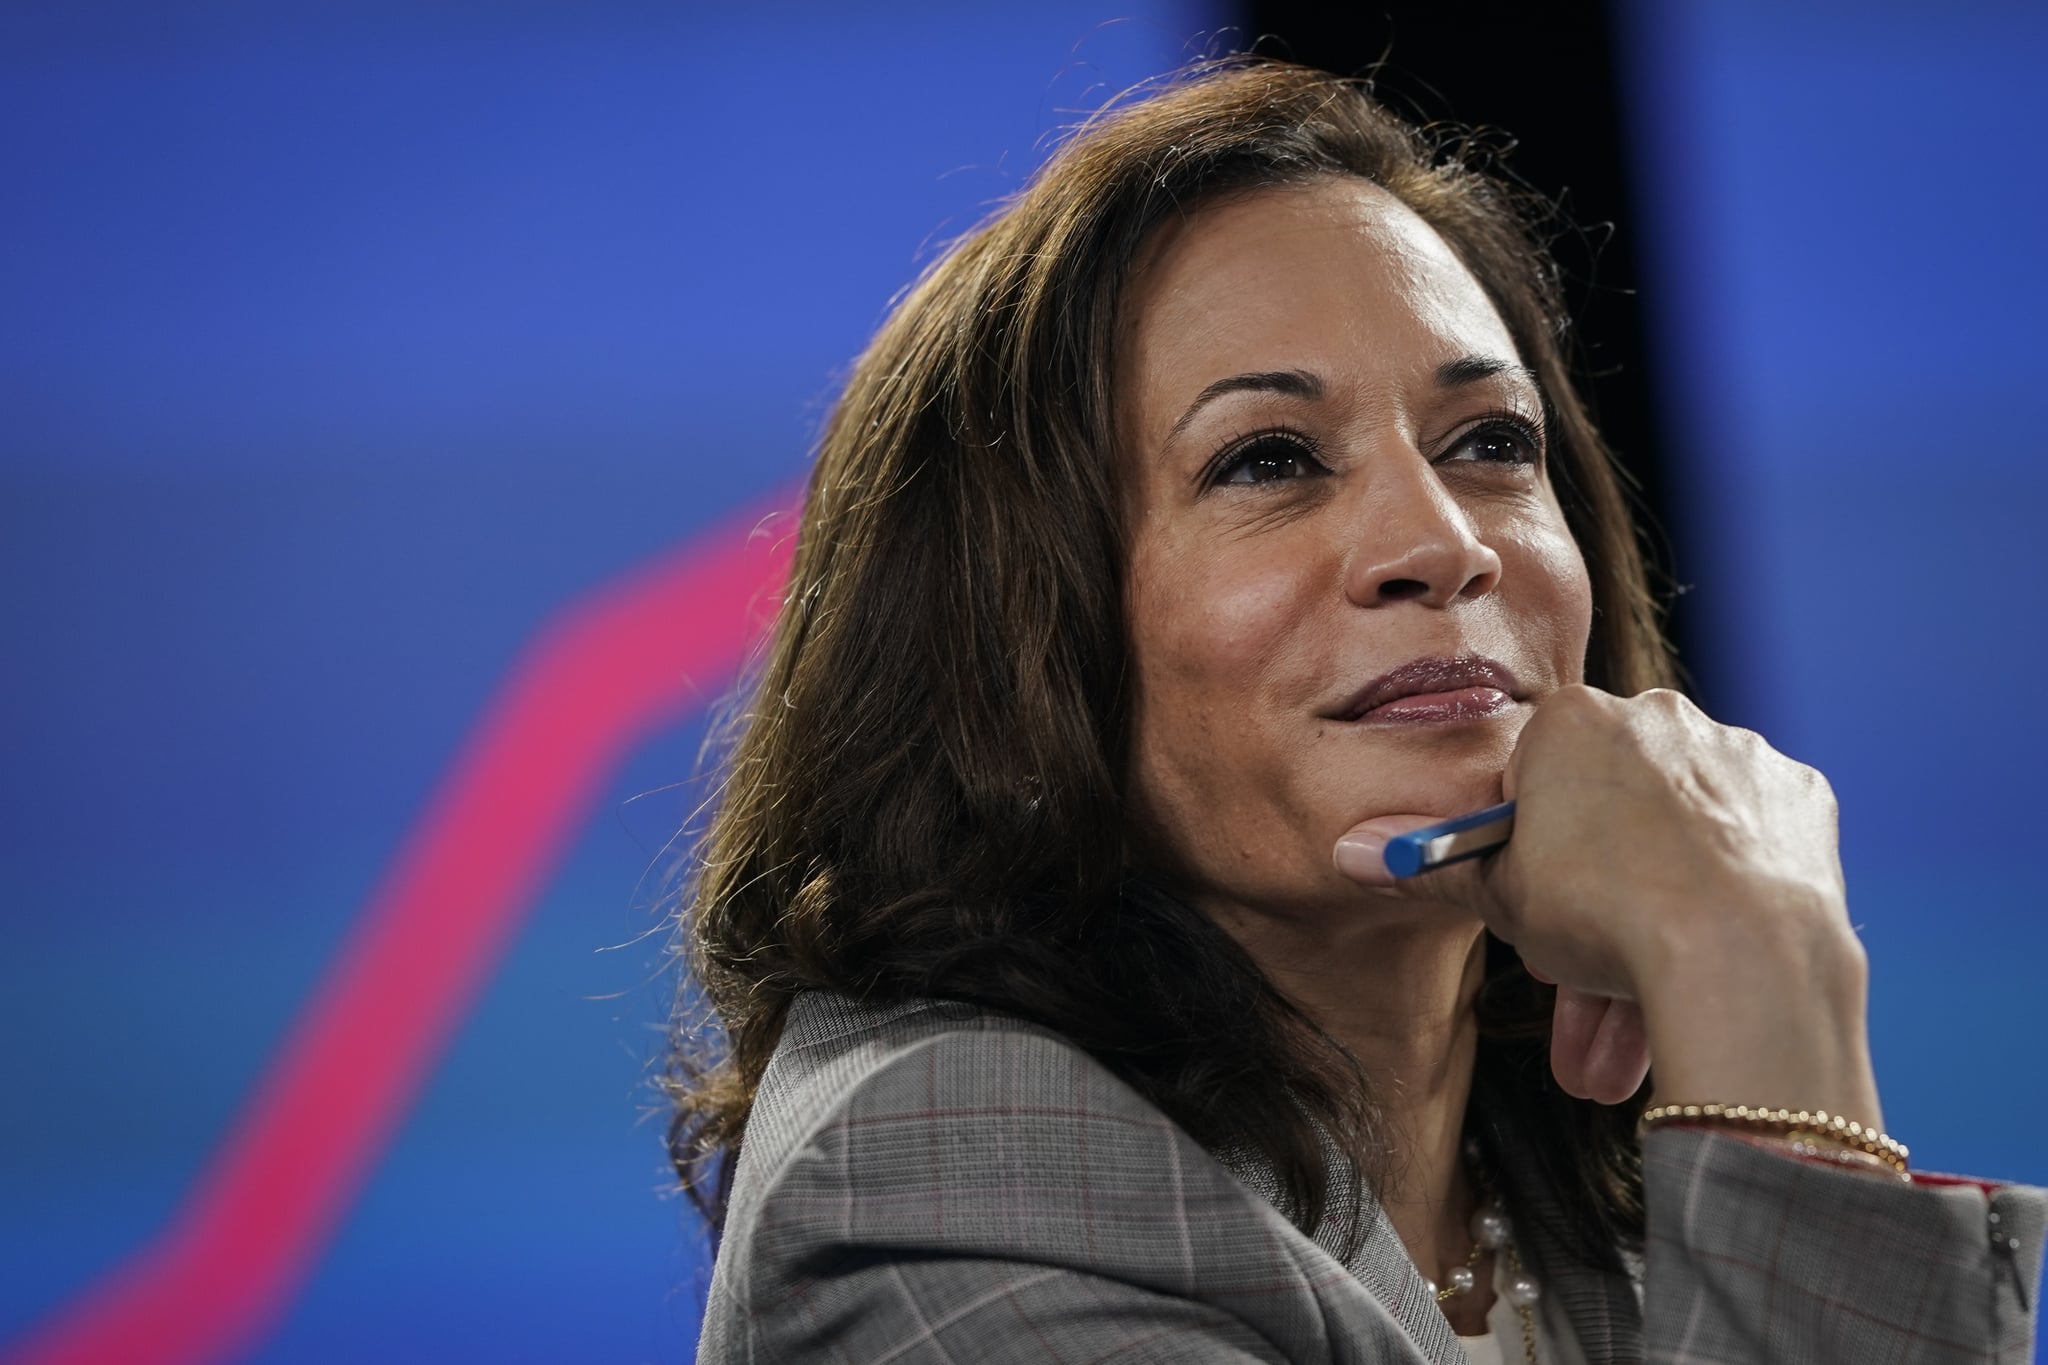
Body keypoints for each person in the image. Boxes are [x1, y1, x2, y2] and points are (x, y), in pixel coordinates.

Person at [667, 59, 2043, 1363]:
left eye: (1490, 442)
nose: (1442, 542)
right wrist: (1763, 976)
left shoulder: (1599, 1198)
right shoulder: (950, 1169)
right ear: (1013, 640)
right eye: (1269, 459)